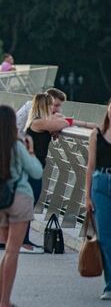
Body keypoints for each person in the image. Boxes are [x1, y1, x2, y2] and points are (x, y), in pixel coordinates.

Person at [0, 106, 42, 307]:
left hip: (0, 201)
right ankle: (4, 301)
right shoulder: (16, 145)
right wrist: (31, 151)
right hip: (20, 198)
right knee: (13, 252)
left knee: (8, 251)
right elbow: (36, 171)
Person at [15, 93, 72, 253]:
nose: (56, 109)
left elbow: (57, 121)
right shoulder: (38, 121)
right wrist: (88, 125)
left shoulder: (37, 119)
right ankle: (22, 243)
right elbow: (63, 122)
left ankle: (20, 241)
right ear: (45, 105)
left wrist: (54, 125)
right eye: (53, 105)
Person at [85, 100, 111, 300]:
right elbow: (90, 166)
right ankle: (110, 285)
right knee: (105, 237)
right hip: (100, 184)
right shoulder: (97, 134)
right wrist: (87, 196)